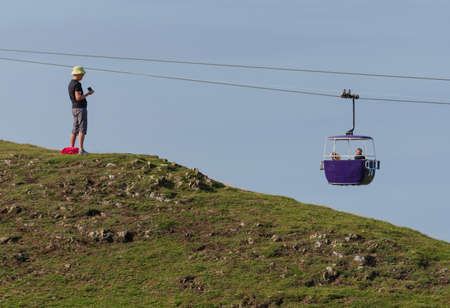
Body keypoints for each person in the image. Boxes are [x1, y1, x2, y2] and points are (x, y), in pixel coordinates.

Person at [68, 66, 94, 155]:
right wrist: (88, 94)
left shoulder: (70, 83)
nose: (83, 76)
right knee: (82, 128)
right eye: (82, 74)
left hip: (74, 108)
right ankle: (81, 149)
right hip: (80, 108)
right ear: (78, 74)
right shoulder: (77, 84)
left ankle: (71, 148)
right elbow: (78, 97)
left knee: (75, 128)